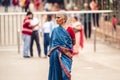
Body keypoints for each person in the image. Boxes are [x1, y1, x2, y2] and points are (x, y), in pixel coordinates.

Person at [48, 12, 74, 80]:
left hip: (66, 55)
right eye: (56, 17)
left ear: (64, 19)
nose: (56, 19)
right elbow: (52, 44)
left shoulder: (70, 29)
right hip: (55, 56)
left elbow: (73, 42)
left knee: (66, 74)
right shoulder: (55, 30)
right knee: (57, 74)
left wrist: (63, 49)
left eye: (58, 17)